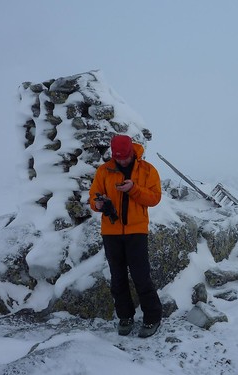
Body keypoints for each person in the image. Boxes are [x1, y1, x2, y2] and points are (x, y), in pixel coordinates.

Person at [89, 134, 162, 338]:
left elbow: (154, 198)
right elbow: (93, 197)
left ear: (132, 152)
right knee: (118, 277)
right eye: (117, 157)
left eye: (125, 156)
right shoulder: (104, 171)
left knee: (141, 276)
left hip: (137, 231)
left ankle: (153, 317)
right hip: (111, 232)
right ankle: (125, 316)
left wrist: (133, 189)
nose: (122, 160)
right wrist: (99, 204)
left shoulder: (147, 170)